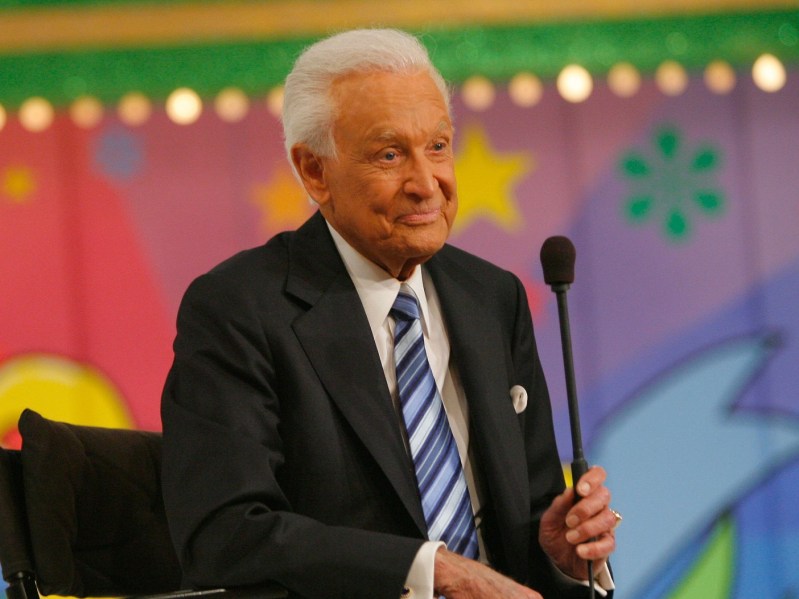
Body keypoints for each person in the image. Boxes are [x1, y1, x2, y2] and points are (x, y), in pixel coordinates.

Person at [161, 28, 617, 599]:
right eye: (390, 154)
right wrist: (432, 571)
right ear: (314, 172)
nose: (427, 185)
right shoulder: (240, 310)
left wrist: (558, 554)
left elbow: (528, 519)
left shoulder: (490, 298)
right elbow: (224, 533)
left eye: (439, 146)